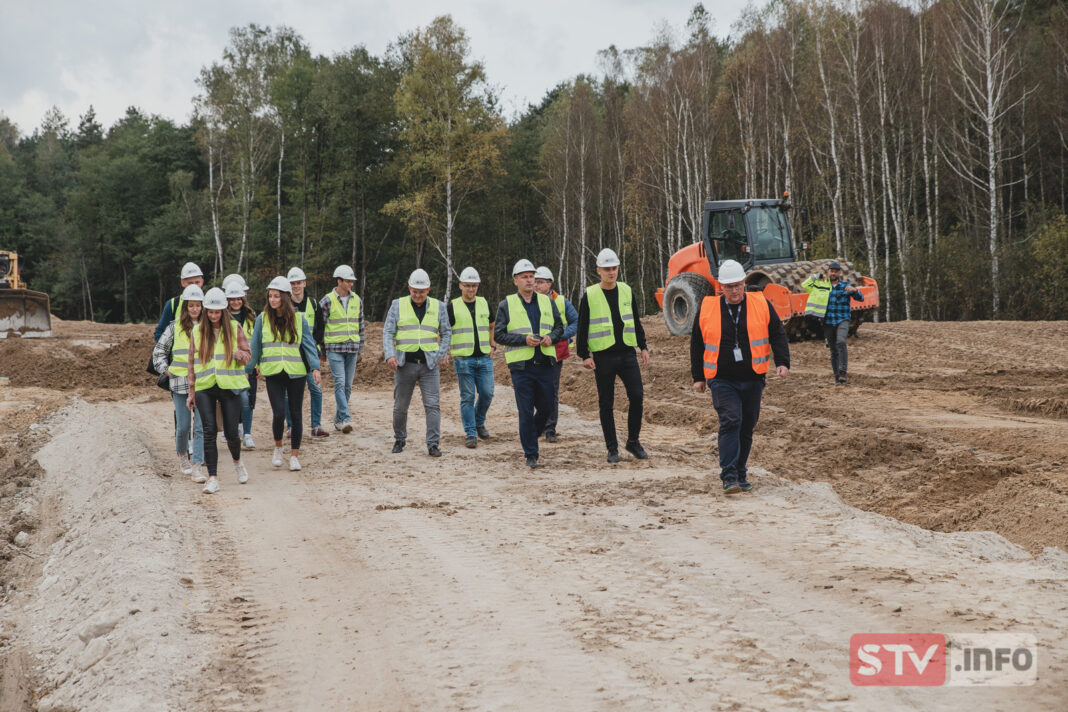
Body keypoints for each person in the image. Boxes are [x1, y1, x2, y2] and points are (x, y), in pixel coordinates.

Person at [691, 259, 790, 494]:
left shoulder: (761, 303)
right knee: (731, 420)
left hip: (753, 377)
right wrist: (698, 376)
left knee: (746, 426)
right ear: (721, 287)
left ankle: (740, 472)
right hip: (721, 378)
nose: (734, 291)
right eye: (729, 287)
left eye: (738, 285)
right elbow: (697, 342)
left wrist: (782, 362)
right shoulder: (707, 307)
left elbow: (777, 333)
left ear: (744, 283)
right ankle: (729, 476)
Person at [576, 248, 651, 463]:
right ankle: (612, 448)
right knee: (606, 403)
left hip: (627, 353)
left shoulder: (626, 290)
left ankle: (633, 441)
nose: (611, 272)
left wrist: (643, 346)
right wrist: (584, 355)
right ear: (598, 270)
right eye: (607, 269)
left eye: (614, 268)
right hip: (603, 356)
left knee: (636, 396)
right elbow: (582, 327)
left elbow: (635, 321)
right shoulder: (590, 295)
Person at [494, 259, 563, 468]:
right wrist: (524, 340)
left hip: (545, 363)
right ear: (516, 280)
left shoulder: (547, 302)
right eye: (524, 277)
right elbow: (499, 335)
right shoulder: (506, 305)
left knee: (547, 407)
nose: (529, 280)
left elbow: (559, 327)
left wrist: (551, 337)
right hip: (521, 367)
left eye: (532, 276)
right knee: (525, 411)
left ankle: (531, 434)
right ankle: (531, 454)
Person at [248, 277, 322, 472]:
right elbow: (255, 347)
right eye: (270, 296)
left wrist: (315, 367)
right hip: (273, 373)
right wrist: (248, 369)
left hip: (296, 373)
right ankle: (278, 448)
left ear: (285, 297)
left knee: (296, 414)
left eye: (276, 296)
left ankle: (295, 455)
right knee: (279, 412)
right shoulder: (262, 319)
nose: (272, 300)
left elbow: (309, 345)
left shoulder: (299, 319)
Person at [187, 287, 252, 494]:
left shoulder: (234, 327)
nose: (213, 316)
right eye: (210, 312)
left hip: (229, 386)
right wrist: (191, 391)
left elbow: (247, 355)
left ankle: (237, 462)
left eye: (217, 312)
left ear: (223, 311)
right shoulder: (197, 331)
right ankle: (213, 478)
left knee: (231, 432)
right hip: (205, 386)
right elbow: (191, 363)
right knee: (209, 430)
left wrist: (239, 355)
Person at [383, 269, 451, 456]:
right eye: (415, 291)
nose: (418, 295)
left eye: (421, 291)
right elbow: (388, 332)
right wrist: (390, 355)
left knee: (432, 405)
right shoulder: (397, 305)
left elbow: (446, 332)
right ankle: (399, 439)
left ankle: (433, 444)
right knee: (400, 406)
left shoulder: (439, 306)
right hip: (405, 364)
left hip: (429, 365)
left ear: (428, 289)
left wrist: (441, 353)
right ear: (409, 288)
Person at [152, 284, 207, 483]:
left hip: (202, 383)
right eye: (191, 305)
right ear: (185, 307)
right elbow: (159, 351)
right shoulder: (174, 327)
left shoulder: (208, 327)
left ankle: (197, 464)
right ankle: (183, 455)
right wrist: (166, 370)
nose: (194, 309)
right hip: (180, 384)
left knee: (200, 427)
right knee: (183, 426)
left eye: (197, 305)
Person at [313, 265, 365, 432]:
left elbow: (361, 325)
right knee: (340, 383)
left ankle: (338, 420)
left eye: (351, 281)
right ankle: (346, 417)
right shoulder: (326, 301)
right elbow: (320, 327)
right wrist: (322, 351)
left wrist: (360, 349)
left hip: (352, 348)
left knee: (347, 386)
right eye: (348, 281)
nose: (351, 284)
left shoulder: (357, 300)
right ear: (339, 281)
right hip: (334, 348)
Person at [448, 266, 495, 448]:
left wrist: (492, 345)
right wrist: (443, 352)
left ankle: (478, 421)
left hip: (484, 357)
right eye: (467, 285)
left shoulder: (484, 303)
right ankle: (471, 432)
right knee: (467, 397)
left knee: (487, 393)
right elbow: (443, 330)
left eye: (474, 286)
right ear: (461, 285)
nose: (471, 289)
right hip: (463, 359)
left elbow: (492, 325)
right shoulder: (453, 306)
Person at [533, 265, 578, 443]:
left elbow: (576, 321)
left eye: (540, 282)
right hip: (532, 352)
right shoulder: (528, 300)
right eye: (535, 282)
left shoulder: (561, 302)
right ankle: (538, 424)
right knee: (535, 390)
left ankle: (550, 428)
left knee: (551, 390)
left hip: (555, 352)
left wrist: (561, 336)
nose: (536, 285)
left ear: (550, 283)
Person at [801, 261, 864, 385]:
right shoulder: (821, 286)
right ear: (828, 272)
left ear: (839, 273)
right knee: (833, 350)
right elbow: (805, 285)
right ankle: (837, 378)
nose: (833, 273)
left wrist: (855, 290)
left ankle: (843, 372)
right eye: (831, 271)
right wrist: (817, 276)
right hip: (828, 321)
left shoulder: (845, 286)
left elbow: (861, 298)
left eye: (836, 271)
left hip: (843, 319)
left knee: (841, 341)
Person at [286, 267, 329, 439]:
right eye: (293, 283)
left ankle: (316, 426)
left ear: (304, 283)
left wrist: (316, 348)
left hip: (310, 355)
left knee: (316, 390)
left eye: (298, 283)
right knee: (290, 394)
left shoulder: (313, 304)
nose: (296, 286)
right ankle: (291, 427)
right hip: (291, 355)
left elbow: (319, 328)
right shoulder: (285, 305)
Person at [224, 279, 258, 447]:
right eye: (232, 299)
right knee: (231, 399)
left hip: (249, 365)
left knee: (247, 401)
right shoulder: (223, 318)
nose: (236, 302)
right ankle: (233, 429)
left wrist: (256, 364)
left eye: (238, 298)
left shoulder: (251, 318)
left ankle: (247, 433)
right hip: (230, 366)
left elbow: (256, 343)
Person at [154, 262, 204, 341]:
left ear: (202, 282)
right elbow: (159, 332)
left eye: (197, 282)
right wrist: (168, 347)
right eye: (190, 283)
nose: (194, 286)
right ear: (182, 283)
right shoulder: (173, 304)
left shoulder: (208, 304)